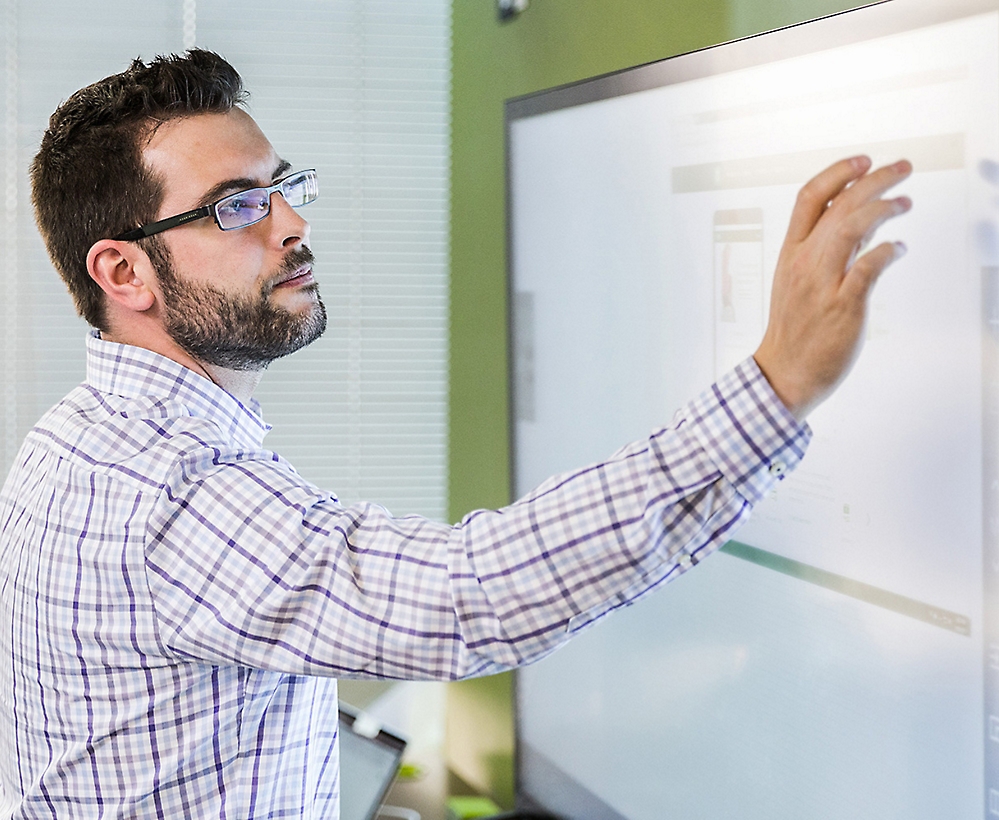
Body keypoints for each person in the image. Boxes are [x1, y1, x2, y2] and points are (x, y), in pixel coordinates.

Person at [0, 50, 911, 818]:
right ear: (124, 272)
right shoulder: (169, 492)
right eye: (236, 206)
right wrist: (778, 384)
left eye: (282, 187)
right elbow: (465, 594)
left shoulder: (76, 440)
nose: (292, 223)